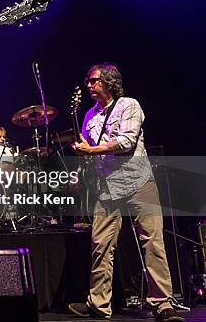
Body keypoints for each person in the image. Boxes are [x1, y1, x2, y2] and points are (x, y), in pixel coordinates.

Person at [68, 64, 183, 322]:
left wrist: (92, 151)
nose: (89, 85)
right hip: (107, 187)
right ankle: (99, 303)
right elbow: (90, 152)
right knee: (100, 245)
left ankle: (163, 303)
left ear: (109, 81)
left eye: (93, 80)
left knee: (152, 242)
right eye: (87, 81)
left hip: (138, 182)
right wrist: (80, 167)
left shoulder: (129, 105)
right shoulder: (89, 116)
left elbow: (127, 141)